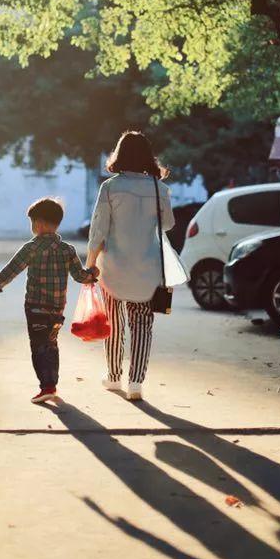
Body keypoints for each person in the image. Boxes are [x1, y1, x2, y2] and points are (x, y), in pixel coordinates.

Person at [0, 197, 99, 403]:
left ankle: (46, 387)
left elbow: (12, 269)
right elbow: (80, 276)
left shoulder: (32, 248)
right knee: (51, 345)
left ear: (39, 223)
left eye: (32, 222)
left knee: (38, 346)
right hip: (56, 310)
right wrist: (92, 273)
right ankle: (51, 385)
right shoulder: (68, 250)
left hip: (36, 308)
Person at [86, 131, 175, 401]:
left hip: (113, 267)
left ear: (119, 155)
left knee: (114, 323)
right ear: (149, 157)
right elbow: (168, 224)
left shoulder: (110, 187)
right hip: (148, 266)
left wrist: (89, 265)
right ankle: (136, 382)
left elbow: (98, 231)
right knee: (142, 324)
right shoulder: (160, 189)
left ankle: (114, 376)